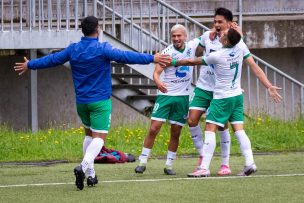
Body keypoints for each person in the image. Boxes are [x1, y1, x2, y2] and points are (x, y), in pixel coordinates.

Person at [14, 16, 171, 190]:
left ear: (82, 30)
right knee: (99, 139)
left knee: (89, 136)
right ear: (98, 30)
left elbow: (52, 59)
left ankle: (91, 176)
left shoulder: (73, 49)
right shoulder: (102, 48)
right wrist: (152, 58)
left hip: (82, 102)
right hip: (100, 102)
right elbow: (126, 56)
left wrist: (31, 64)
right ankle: (82, 166)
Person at [174, 27, 282, 177]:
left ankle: (204, 168)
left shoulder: (217, 56)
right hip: (237, 96)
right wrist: (268, 86)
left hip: (222, 97)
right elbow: (246, 51)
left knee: (210, 128)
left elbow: (191, 61)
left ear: (226, 40)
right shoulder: (240, 47)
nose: (222, 33)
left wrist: (173, 61)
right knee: (239, 130)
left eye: (224, 34)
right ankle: (250, 163)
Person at [134, 24, 200, 175]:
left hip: (182, 98)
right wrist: (158, 82)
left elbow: (208, 36)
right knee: (154, 128)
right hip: (165, 96)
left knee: (175, 132)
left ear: (185, 36)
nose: (176, 39)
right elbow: (156, 73)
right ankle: (142, 161)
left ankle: (169, 165)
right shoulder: (167, 52)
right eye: (174, 36)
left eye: (179, 36)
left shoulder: (192, 46)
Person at [188, 7, 236, 176]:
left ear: (229, 23)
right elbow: (197, 50)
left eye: (220, 22)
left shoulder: (234, 40)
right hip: (203, 86)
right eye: (215, 21)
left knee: (222, 125)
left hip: (220, 90)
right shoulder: (206, 36)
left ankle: (225, 163)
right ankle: (203, 155)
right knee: (192, 120)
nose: (216, 25)